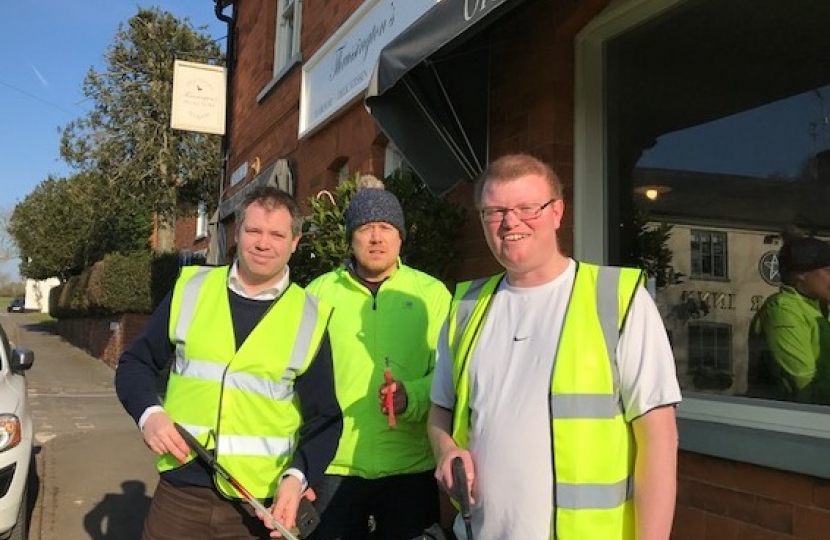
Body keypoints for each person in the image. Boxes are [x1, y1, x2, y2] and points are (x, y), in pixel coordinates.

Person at [427, 154, 682, 540]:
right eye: (494, 211)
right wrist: (445, 450)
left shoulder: (617, 299)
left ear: (557, 212)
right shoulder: (465, 308)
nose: (510, 222)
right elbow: (439, 412)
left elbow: (659, 440)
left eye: (527, 208)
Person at [115, 186, 343, 540]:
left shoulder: (311, 316)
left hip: (258, 507)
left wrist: (297, 478)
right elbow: (135, 363)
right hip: (181, 492)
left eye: (277, 234)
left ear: (295, 242)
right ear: (238, 233)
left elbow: (326, 419)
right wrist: (149, 414)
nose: (263, 243)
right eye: (253, 231)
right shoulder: (191, 288)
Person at [304, 176, 451, 540]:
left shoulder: (430, 294)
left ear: (400, 237)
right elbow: (295, 379)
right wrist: (298, 467)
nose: (376, 238)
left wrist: (411, 396)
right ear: (350, 237)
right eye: (365, 228)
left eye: (386, 227)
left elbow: (451, 375)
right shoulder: (318, 293)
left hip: (411, 468)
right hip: (334, 466)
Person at [753, 226, 830, 404]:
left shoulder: (822, 305)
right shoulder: (782, 310)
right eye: (828, 271)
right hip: (792, 422)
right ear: (800, 277)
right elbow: (804, 384)